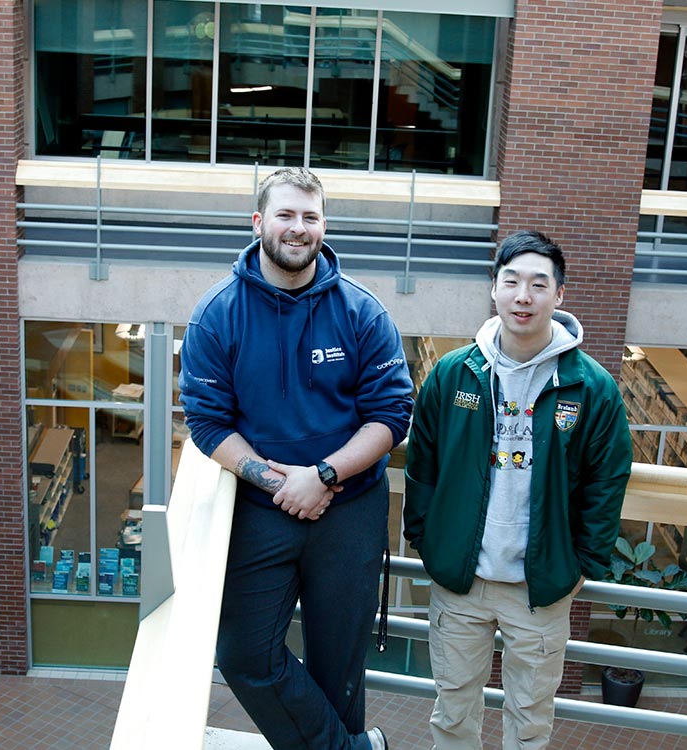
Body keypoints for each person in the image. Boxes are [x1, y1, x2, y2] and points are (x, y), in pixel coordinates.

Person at [180, 167, 413, 750]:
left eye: (310, 217)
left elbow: (391, 416)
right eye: (285, 214)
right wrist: (275, 480)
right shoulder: (218, 314)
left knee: (339, 672)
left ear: (323, 226)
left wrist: (324, 476)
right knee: (245, 655)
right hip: (262, 510)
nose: (298, 227)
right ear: (259, 222)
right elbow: (208, 423)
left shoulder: (362, 313)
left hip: (350, 510)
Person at [403, 230, 632, 750]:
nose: (522, 296)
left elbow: (606, 480)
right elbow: (423, 462)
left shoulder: (591, 387)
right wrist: (427, 539)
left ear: (558, 295)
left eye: (537, 284)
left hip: (542, 587)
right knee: (453, 710)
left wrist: (584, 566)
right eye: (511, 282)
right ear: (495, 289)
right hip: (461, 579)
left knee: (530, 720)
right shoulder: (453, 373)